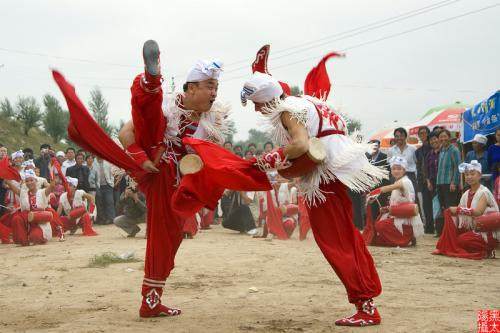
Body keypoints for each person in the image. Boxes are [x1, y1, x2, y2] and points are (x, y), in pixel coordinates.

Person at [240, 72, 387, 326]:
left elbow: (299, 144)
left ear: (267, 99)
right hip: (337, 171)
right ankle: (367, 297)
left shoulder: (287, 109)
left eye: (256, 103)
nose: (256, 109)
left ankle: (366, 306)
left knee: (335, 241)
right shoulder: (304, 101)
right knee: (347, 237)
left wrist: (269, 160)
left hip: (324, 178)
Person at [433, 160, 499, 259]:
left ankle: (487, 250)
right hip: (474, 228)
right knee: (454, 232)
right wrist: (452, 214)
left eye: (472, 174)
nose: (469, 177)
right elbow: (459, 213)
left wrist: (458, 210)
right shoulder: (466, 193)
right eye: (467, 175)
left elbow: (478, 212)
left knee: (461, 241)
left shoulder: (484, 192)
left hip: (485, 231)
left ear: (480, 175)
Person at [364, 156, 424, 247]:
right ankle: (406, 237)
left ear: (404, 170)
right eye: (394, 169)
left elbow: (388, 188)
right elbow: (398, 203)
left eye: (399, 169)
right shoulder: (399, 181)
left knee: (380, 226)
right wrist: (387, 209)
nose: (396, 171)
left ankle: (404, 239)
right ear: (391, 171)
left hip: (405, 217)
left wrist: (374, 192)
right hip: (400, 214)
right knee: (379, 222)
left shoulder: (404, 181)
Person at [6, 169, 59, 245]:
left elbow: (51, 187)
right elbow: (13, 188)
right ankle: (23, 240)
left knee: (35, 237)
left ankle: (33, 236)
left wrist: (52, 180)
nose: (29, 183)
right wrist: (7, 180)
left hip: (39, 222)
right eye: (27, 181)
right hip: (27, 222)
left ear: (36, 181)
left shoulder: (42, 192)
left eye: (31, 180)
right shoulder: (23, 193)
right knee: (16, 218)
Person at [436, 129, 461, 236]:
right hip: (440, 182)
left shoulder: (454, 150)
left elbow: (457, 167)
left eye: (445, 136)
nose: (443, 139)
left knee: (450, 208)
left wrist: (454, 183)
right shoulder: (441, 150)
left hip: (449, 184)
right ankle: (445, 232)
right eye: (441, 137)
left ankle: (451, 232)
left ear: (449, 137)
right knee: (443, 208)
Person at [365, 139, 389, 221]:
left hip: (382, 187)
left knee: (382, 206)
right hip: (371, 187)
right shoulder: (367, 157)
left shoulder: (384, 157)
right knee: (372, 208)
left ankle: (382, 225)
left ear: (379, 146)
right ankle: (374, 227)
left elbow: (387, 172)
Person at [424, 132, 441, 234]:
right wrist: (428, 182)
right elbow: (426, 169)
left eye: (435, 139)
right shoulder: (429, 154)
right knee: (436, 205)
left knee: (443, 205)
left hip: (444, 182)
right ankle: (438, 229)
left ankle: (443, 229)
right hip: (433, 182)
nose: (433, 141)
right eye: (431, 140)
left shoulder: (444, 151)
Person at [415, 127, 431, 225]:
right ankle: (428, 226)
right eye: (421, 134)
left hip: (433, 179)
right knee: (425, 204)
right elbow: (418, 166)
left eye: (425, 133)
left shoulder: (433, 147)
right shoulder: (418, 151)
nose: (423, 135)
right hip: (423, 180)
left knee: (435, 204)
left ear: (428, 134)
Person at [94, 156, 115, 225]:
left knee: (110, 202)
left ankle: (111, 218)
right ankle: (102, 219)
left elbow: (111, 173)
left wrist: (112, 182)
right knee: (100, 203)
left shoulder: (107, 161)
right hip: (98, 186)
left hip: (108, 185)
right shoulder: (93, 162)